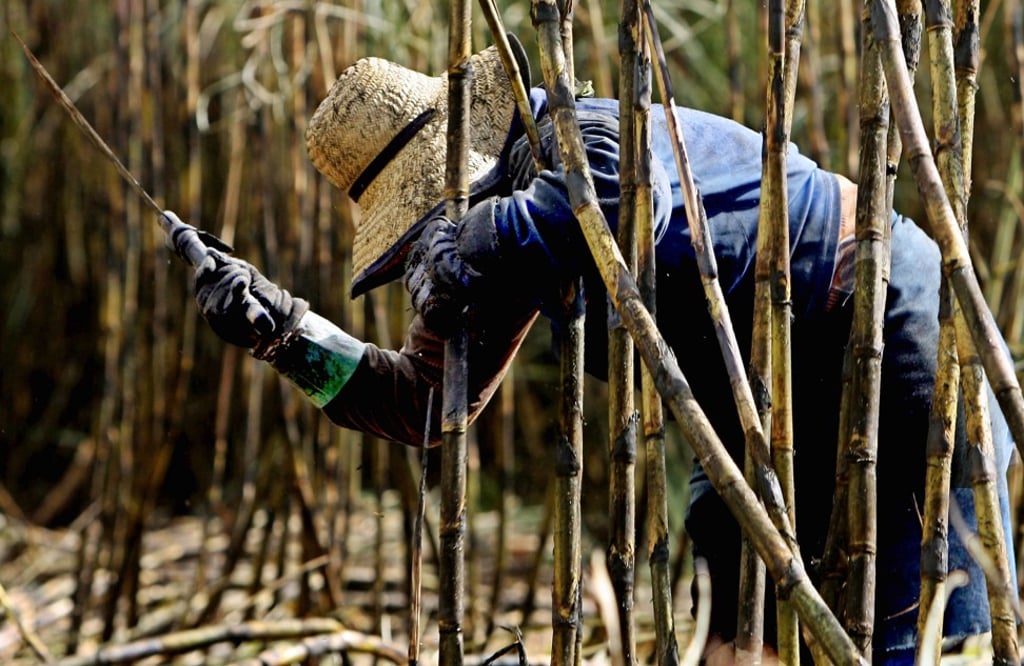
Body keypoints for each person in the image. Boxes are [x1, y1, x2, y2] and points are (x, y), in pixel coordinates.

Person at [168, 36, 1018, 665]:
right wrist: (284, 334)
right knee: (735, 632)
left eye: (427, 219)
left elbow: (603, 209)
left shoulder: (590, 138)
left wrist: (462, 241)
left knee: (928, 632)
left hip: (885, 323)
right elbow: (426, 404)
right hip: (742, 404)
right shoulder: (485, 243)